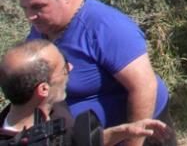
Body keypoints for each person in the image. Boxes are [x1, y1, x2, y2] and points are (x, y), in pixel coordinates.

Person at [17, 0, 173, 143]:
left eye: (38, 6)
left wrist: (133, 141)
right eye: (25, 8)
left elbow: (144, 86)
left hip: (133, 131)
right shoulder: (43, 26)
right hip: (85, 136)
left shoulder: (107, 27)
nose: (30, 16)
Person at [0, 41, 171, 146]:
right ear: (43, 89)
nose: (71, 68)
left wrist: (125, 130)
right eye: (64, 67)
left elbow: (75, 141)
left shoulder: (50, 109)